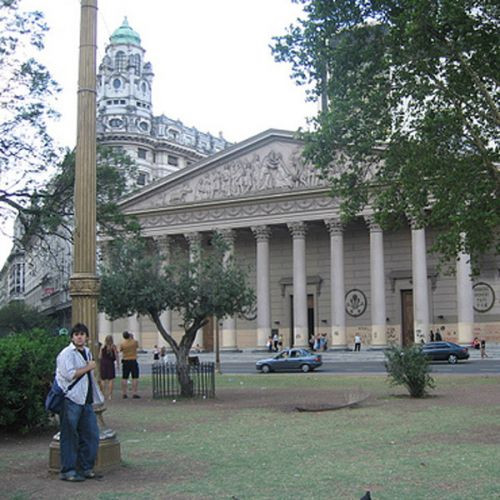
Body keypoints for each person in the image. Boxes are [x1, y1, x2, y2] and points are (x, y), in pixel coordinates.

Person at [56, 323, 104, 482]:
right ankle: (68, 470)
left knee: (91, 435)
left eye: (82, 334)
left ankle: (86, 467)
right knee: (69, 436)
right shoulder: (66, 354)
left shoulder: (87, 352)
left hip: (86, 400)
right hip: (71, 399)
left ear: (87, 337)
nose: (79, 336)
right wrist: (88, 367)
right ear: (72, 337)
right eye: (76, 334)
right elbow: (70, 375)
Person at [119, 331, 140, 399]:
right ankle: (134, 393)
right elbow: (137, 346)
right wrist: (132, 338)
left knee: (124, 377)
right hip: (133, 360)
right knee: (135, 377)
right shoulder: (134, 342)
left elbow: (121, 350)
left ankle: (124, 393)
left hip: (125, 360)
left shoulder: (123, 343)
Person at [99, 335, 118, 401]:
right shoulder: (113, 347)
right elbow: (116, 355)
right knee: (111, 379)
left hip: (103, 363)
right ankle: (110, 395)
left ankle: (102, 394)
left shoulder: (102, 347)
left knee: (103, 379)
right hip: (110, 363)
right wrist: (117, 364)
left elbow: (100, 356)